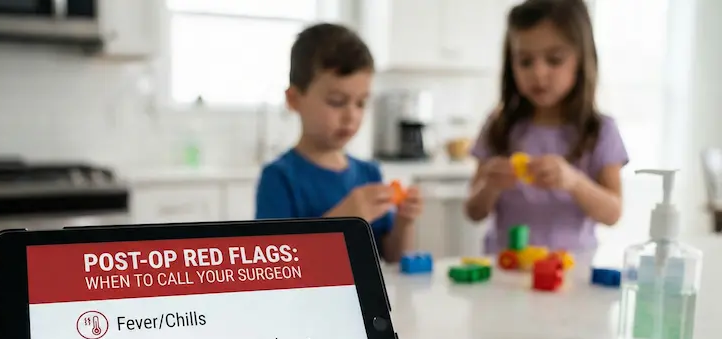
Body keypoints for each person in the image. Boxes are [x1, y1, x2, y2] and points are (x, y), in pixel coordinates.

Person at [465, 0, 629, 254]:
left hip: (572, 270)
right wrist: (490, 186)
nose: (539, 73)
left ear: (581, 60)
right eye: (525, 61)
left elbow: (613, 213)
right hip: (505, 268)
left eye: (554, 60)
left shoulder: (600, 130)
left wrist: (574, 182)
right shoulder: (499, 125)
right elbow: (473, 212)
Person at [254, 23, 423, 262]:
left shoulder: (369, 173)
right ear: (294, 100)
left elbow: (392, 258)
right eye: (336, 101)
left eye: (361, 103)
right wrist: (339, 223)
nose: (351, 115)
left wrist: (404, 223)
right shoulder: (279, 178)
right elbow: (275, 266)